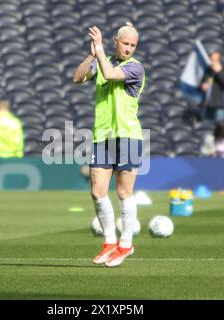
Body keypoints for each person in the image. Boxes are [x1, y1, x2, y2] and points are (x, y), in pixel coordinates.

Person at [73, 22, 145, 267]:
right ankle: (109, 243)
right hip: (102, 136)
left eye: (133, 45)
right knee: (97, 191)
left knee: (124, 192)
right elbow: (78, 77)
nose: (129, 49)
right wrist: (91, 54)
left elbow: (111, 74)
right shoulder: (102, 59)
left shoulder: (135, 67)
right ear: (117, 42)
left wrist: (101, 51)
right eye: (125, 43)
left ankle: (126, 244)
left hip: (127, 135)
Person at [199, 52, 224, 123]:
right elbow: (202, 83)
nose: (211, 62)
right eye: (211, 60)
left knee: (219, 126)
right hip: (207, 104)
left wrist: (219, 72)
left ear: (219, 61)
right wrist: (202, 86)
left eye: (214, 60)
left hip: (219, 105)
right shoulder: (208, 71)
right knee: (205, 127)